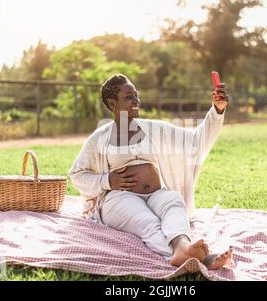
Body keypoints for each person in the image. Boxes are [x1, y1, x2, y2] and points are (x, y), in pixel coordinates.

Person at [69, 74, 233, 269]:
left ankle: (184, 248)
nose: (136, 101)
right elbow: (77, 174)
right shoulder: (100, 138)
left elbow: (195, 142)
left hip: (156, 193)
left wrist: (217, 110)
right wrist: (107, 180)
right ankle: (196, 257)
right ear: (113, 104)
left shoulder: (153, 129)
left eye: (136, 96)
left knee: (174, 202)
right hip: (119, 199)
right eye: (129, 97)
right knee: (148, 221)